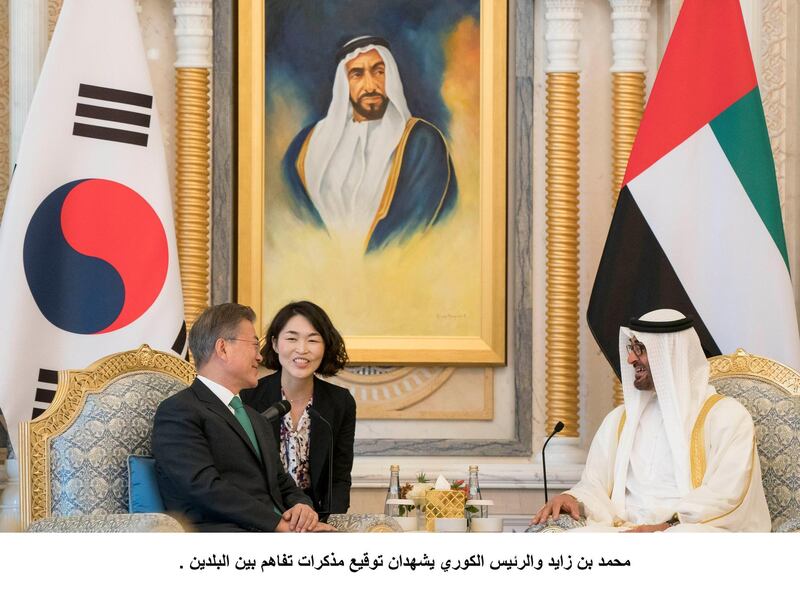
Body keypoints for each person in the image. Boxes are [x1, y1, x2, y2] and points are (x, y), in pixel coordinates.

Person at [531, 309, 771, 532]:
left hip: (687, 532)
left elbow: (726, 495)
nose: (629, 359)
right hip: (625, 531)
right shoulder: (619, 421)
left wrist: (665, 527)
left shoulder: (726, 417)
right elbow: (595, 484)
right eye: (631, 347)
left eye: (640, 349)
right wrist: (574, 498)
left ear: (670, 354)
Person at [152, 303, 333, 532]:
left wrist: (302, 508)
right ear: (223, 348)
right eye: (254, 346)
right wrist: (277, 525)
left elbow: (282, 484)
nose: (259, 357)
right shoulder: (179, 411)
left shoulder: (255, 418)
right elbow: (204, 487)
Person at [283, 35, 457, 254]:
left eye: (379, 72)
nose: (370, 85)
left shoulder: (421, 141)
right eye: (357, 74)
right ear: (343, 84)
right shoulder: (306, 147)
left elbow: (414, 226)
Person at [241, 301, 355, 519]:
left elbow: (339, 477)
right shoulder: (249, 397)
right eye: (292, 338)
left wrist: (331, 522)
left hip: (318, 518)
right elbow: (243, 473)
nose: (302, 349)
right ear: (275, 343)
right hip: (264, 517)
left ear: (325, 346)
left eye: (312, 340)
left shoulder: (341, 402)